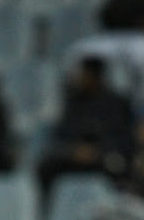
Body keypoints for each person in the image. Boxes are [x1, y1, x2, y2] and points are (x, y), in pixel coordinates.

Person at [37, 56, 135, 201]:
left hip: (105, 155)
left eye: (84, 74)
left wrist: (99, 150)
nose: (80, 78)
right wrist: (74, 149)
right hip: (75, 155)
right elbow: (62, 133)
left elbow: (124, 138)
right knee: (46, 166)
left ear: (96, 76)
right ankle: (49, 209)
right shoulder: (74, 102)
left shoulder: (117, 103)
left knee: (119, 166)